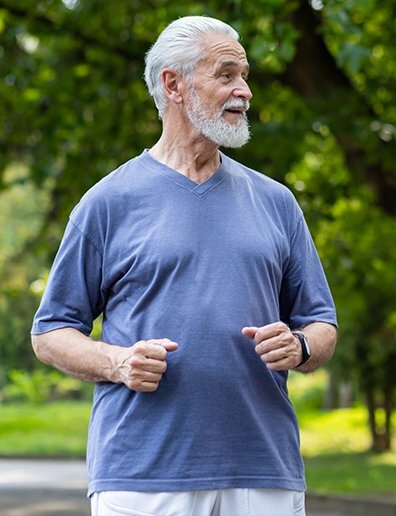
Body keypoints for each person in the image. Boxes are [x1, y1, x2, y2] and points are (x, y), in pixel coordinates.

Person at [30, 16, 337, 516]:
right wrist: (118, 361)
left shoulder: (276, 202)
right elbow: (50, 333)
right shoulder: (107, 202)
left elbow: (322, 324)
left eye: (245, 76)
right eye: (227, 74)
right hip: (142, 472)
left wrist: (300, 345)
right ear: (173, 83)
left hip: (264, 470)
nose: (245, 90)